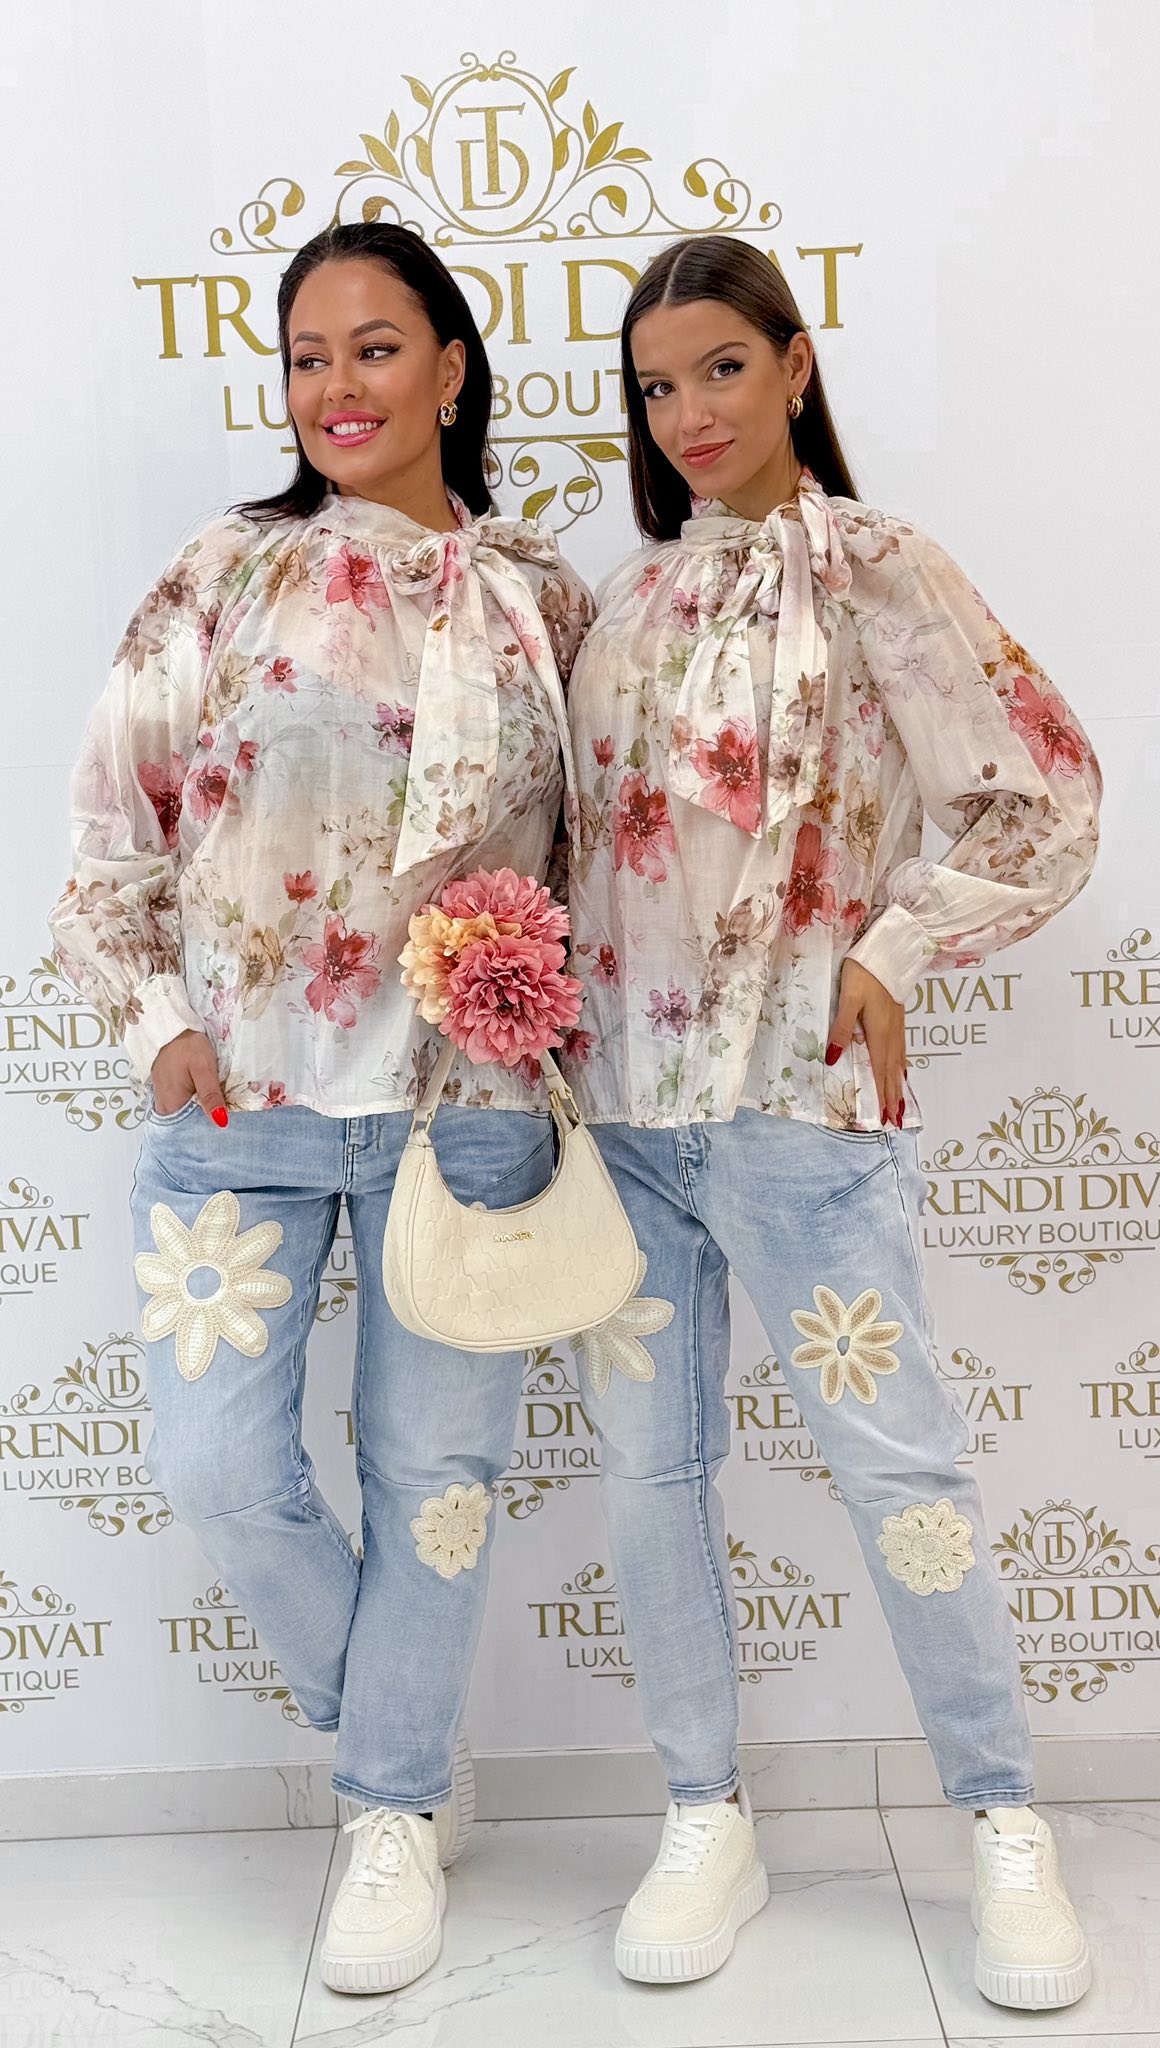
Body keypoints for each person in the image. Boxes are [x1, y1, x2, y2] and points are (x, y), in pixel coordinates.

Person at [49, 221, 593, 1997]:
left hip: (468, 1108)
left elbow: (600, 860)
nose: (337, 387)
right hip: (247, 1099)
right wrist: (155, 1023)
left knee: (436, 1483)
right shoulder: (226, 570)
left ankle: (385, 1814)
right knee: (215, 1463)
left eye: (375, 346)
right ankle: (398, 1743)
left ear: (452, 366)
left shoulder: (541, 596)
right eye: (306, 356)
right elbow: (109, 825)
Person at [564, 233, 1099, 2009]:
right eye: (657, 386)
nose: (690, 413)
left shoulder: (880, 567)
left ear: (795, 366)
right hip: (624, 1120)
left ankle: (1002, 1819)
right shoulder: (623, 602)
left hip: (802, 1104)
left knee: (898, 1463)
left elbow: (1040, 795)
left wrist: (893, 944)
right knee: (648, 1474)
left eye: (722, 368)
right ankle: (702, 1811)